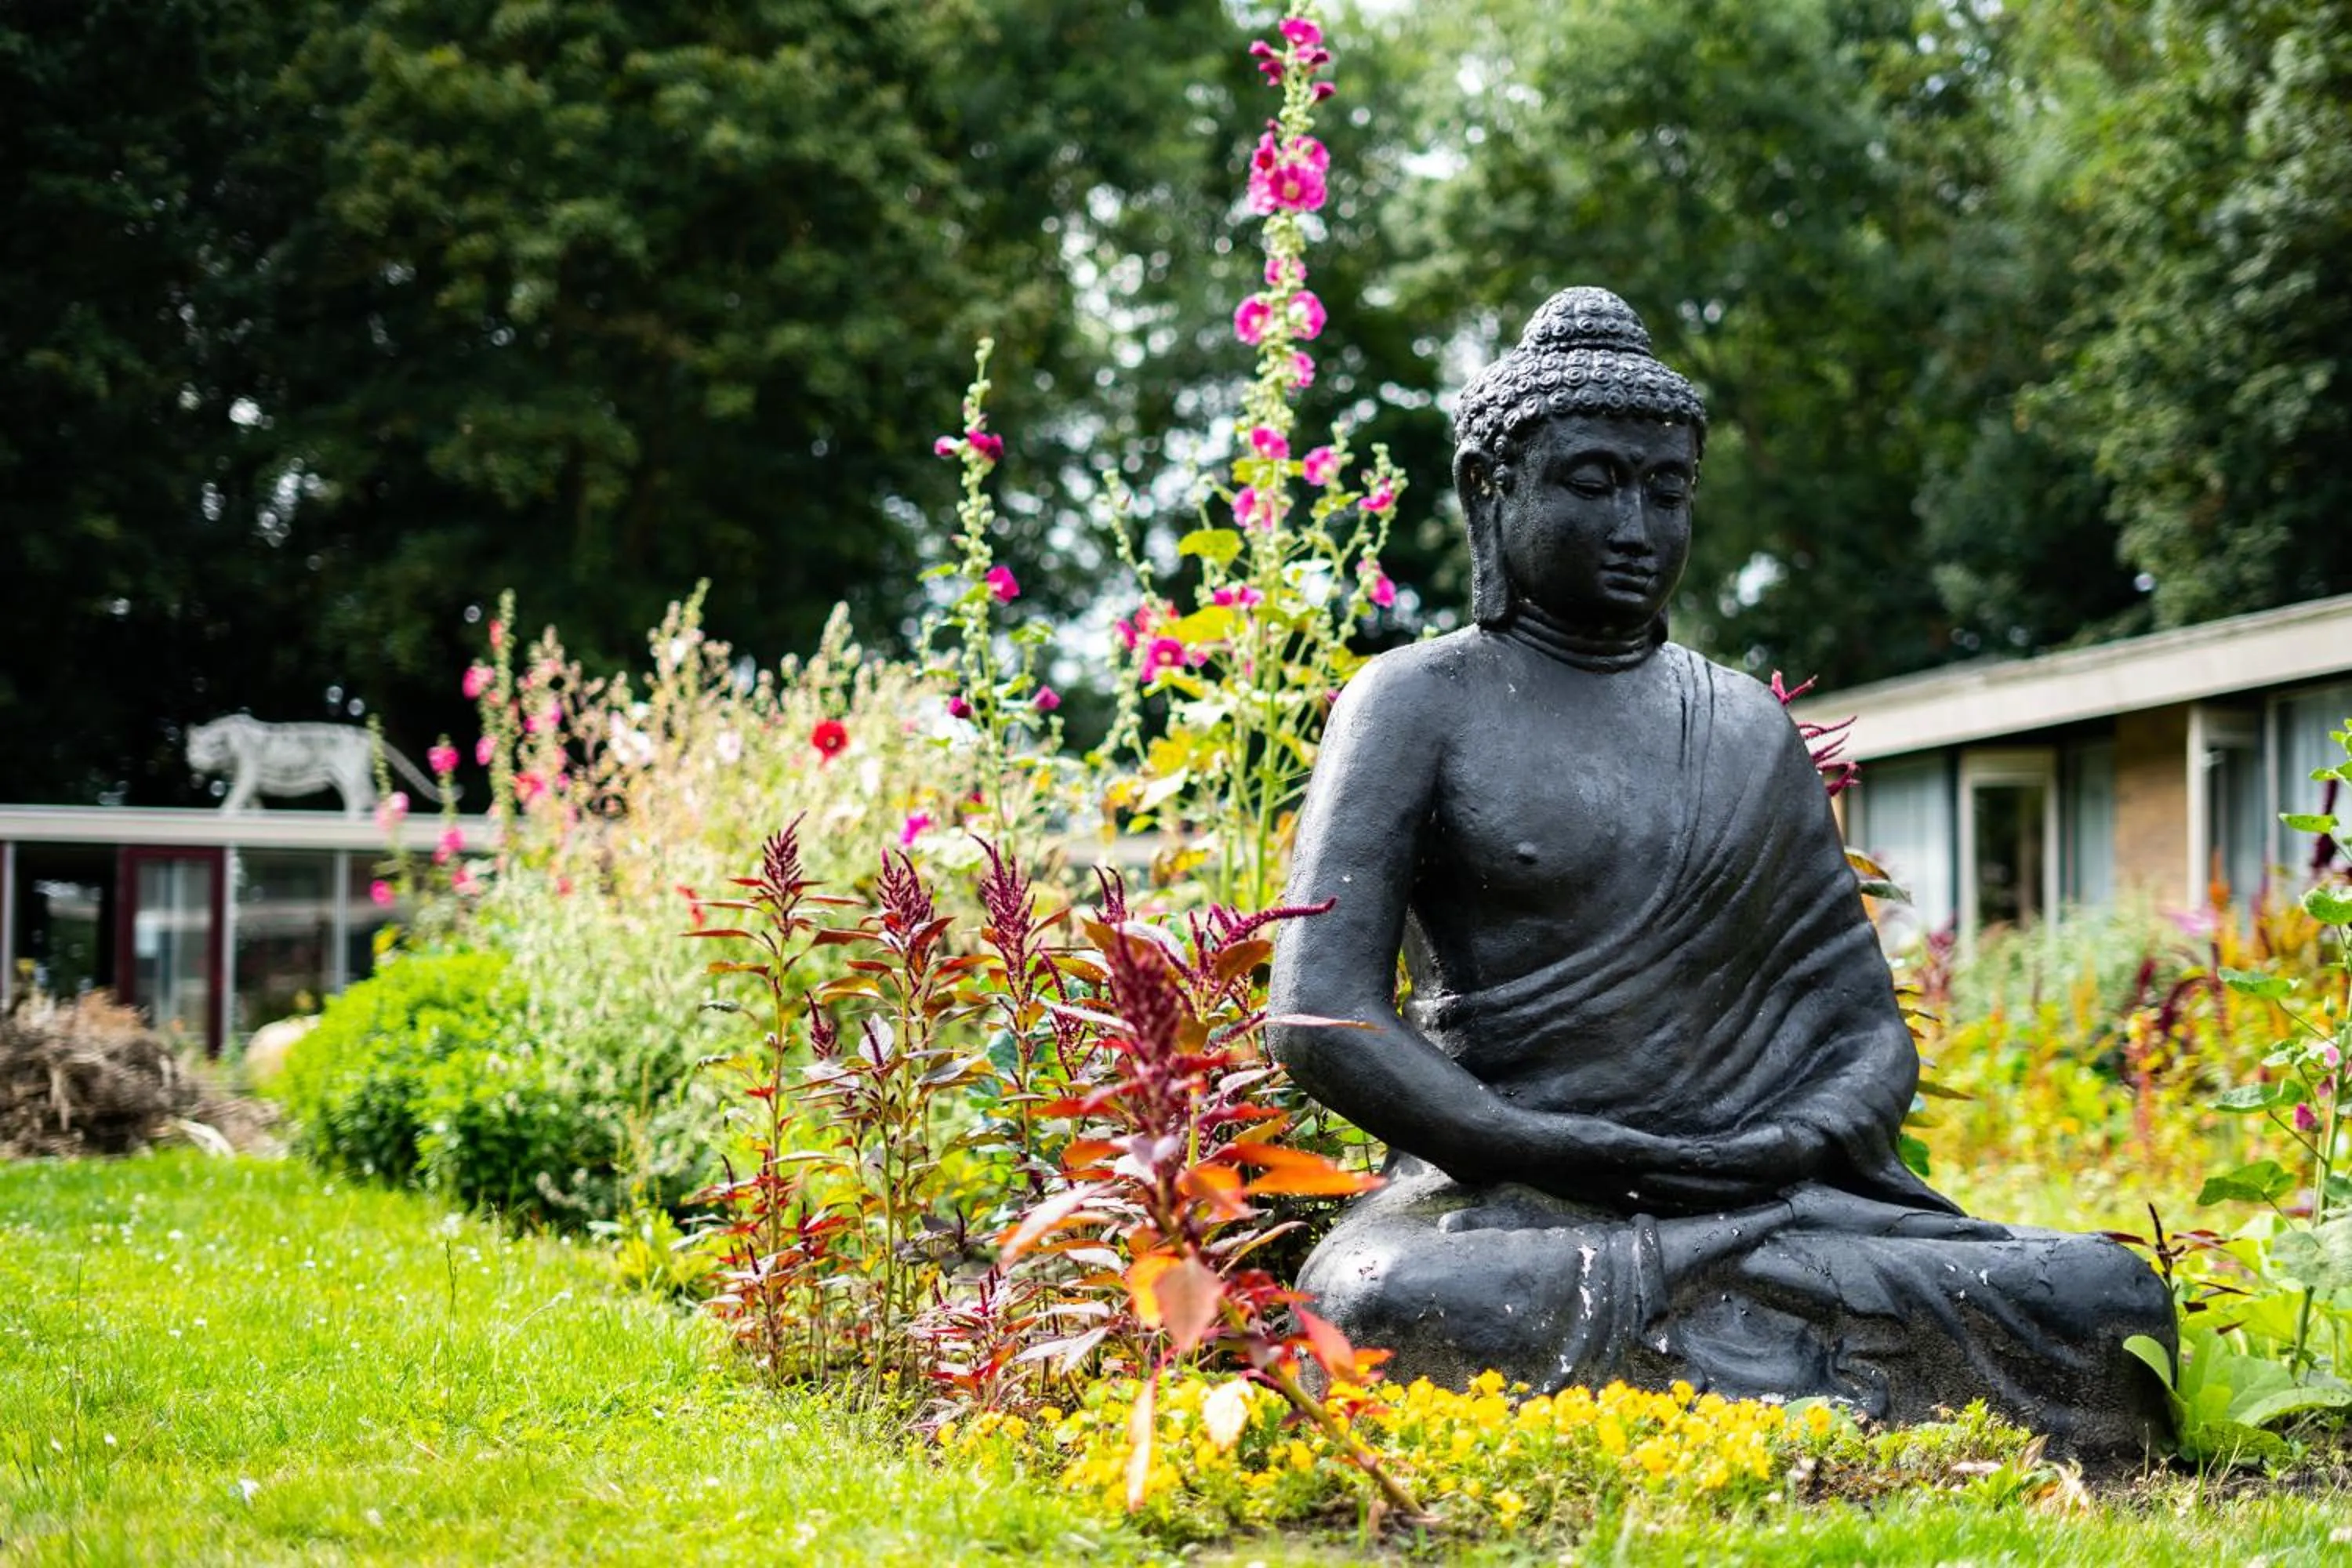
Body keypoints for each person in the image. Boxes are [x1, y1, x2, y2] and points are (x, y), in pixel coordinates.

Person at [1267, 287, 2172, 1454]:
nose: (1637, 524)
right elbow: (1319, 1016)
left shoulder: (1743, 722)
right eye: (1592, 484)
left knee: (2104, 1297)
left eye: (1668, 490)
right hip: (1510, 1207)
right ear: (1491, 494)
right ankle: (1820, 1392)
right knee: (1380, 1298)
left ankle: (1729, 1384)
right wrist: (1543, 1146)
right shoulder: (1412, 704)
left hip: (1761, 1201)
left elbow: (1866, 1035)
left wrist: (1779, 1148)